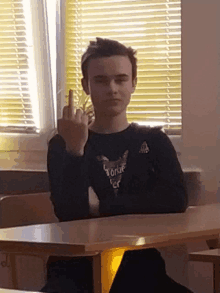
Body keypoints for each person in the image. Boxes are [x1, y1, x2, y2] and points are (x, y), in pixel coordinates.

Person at [41, 37, 193, 293]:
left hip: (140, 269)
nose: (112, 88)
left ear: (133, 83)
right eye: (101, 80)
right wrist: (76, 150)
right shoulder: (63, 142)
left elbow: (175, 199)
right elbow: (70, 212)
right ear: (85, 86)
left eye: (121, 79)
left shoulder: (154, 140)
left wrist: (101, 205)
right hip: (75, 272)